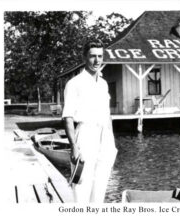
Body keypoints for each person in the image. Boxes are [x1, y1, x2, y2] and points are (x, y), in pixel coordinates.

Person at [62, 40, 117, 202]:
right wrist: (73, 146)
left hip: (105, 138)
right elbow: (68, 117)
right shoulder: (74, 83)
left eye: (100, 56)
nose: (97, 60)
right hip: (85, 136)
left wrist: (111, 144)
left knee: (99, 192)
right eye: (92, 56)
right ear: (84, 57)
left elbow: (107, 116)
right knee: (81, 189)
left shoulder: (103, 84)